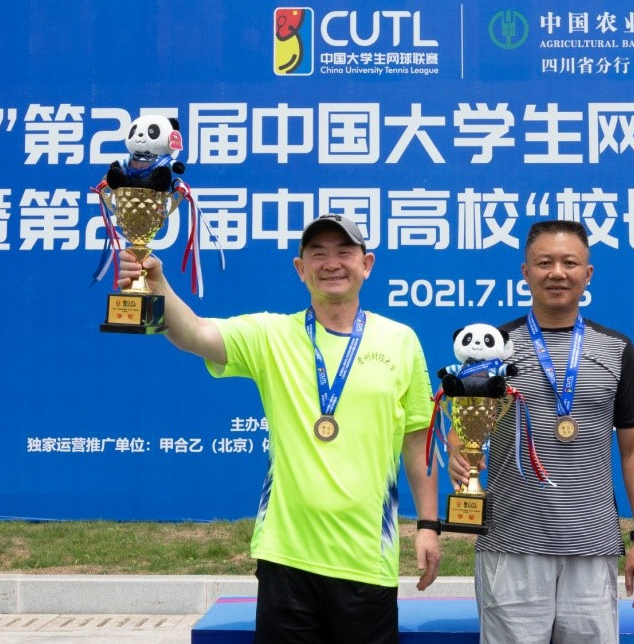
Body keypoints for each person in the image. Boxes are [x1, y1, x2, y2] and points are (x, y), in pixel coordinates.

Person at [117, 214, 440, 644]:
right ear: (300, 268)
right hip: (286, 558)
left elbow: (418, 443)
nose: (331, 263)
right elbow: (193, 333)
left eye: (344, 252)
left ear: (367, 265)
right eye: (318, 254)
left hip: (367, 558)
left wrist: (428, 525)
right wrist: (157, 283)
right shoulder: (270, 334)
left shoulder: (400, 341)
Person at [448, 219, 634, 644]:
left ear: (588, 273)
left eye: (569, 263)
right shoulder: (492, 347)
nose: (557, 273)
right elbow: (463, 429)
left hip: (591, 546)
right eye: (544, 263)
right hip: (511, 544)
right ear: (525, 272)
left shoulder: (616, 349)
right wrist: (460, 452)